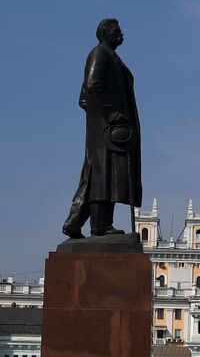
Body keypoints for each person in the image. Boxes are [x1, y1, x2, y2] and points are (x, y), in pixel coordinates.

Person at [61, 18, 142, 239]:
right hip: (107, 131)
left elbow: (84, 98)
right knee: (104, 176)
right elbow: (91, 86)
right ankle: (100, 225)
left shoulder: (111, 57)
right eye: (117, 30)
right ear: (105, 33)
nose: (121, 33)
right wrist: (111, 116)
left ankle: (77, 222)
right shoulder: (100, 54)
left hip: (109, 130)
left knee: (106, 175)